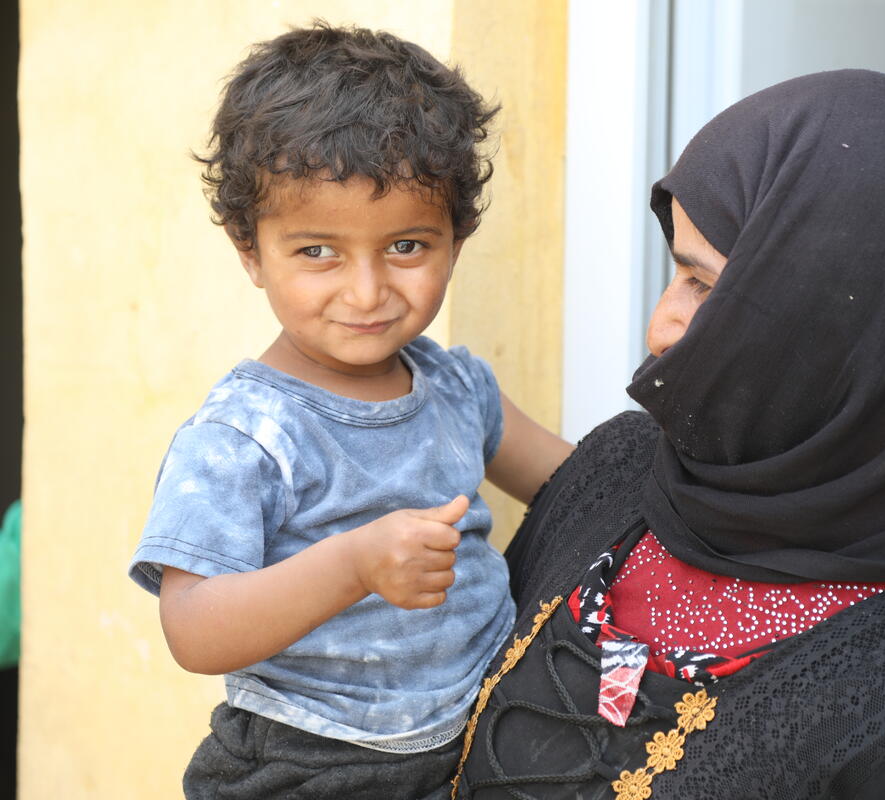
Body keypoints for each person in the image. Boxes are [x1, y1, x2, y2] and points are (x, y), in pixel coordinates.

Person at [453, 70, 885, 798]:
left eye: (704, 285)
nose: (660, 328)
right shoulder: (622, 474)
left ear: (834, 329)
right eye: (677, 274)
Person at [127, 23, 572, 800]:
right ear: (249, 250)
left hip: (478, 738)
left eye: (406, 247)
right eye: (317, 252)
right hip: (313, 763)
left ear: (457, 239)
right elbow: (192, 628)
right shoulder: (244, 436)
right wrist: (353, 565)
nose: (367, 293)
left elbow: (576, 481)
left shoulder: (456, 387)